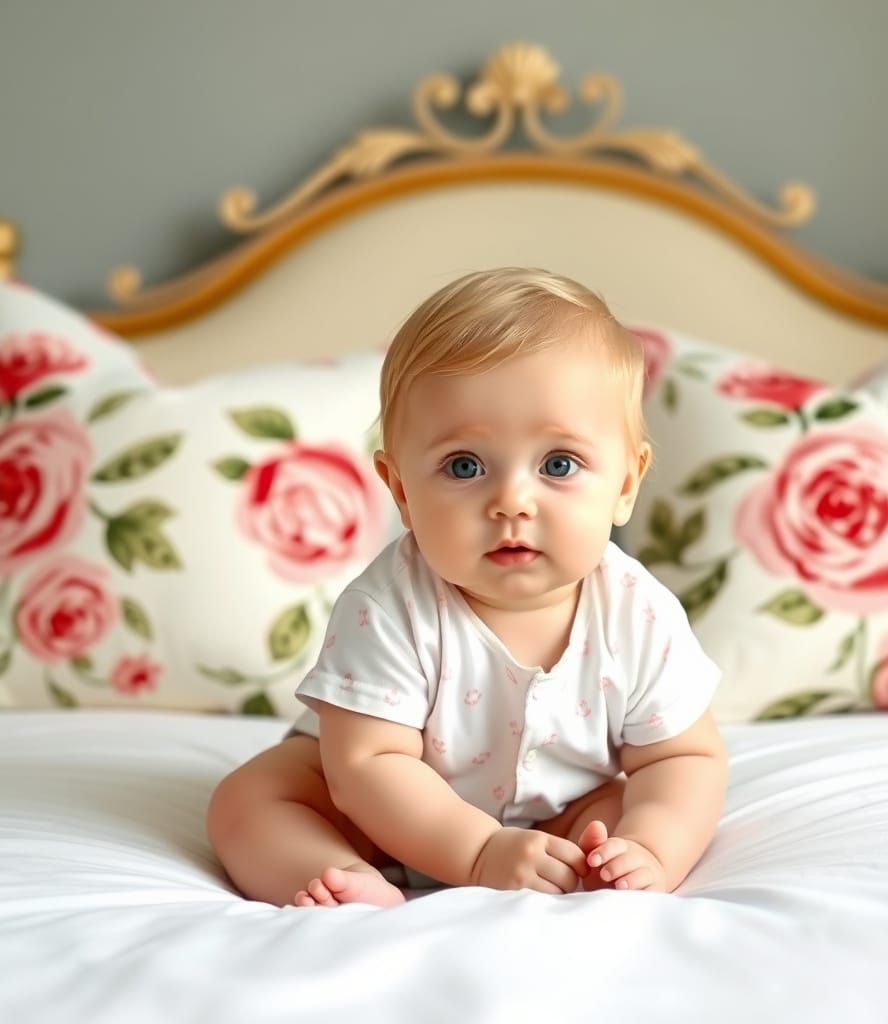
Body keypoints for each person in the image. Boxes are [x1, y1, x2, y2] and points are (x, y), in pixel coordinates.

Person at [207, 268, 728, 908]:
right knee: (251, 799)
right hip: (380, 817)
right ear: (401, 491)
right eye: (464, 466)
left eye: (558, 464)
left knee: (624, 806)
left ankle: (599, 866)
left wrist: (650, 847)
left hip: (558, 817)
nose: (512, 501)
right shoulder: (389, 607)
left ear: (625, 485)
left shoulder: (637, 614)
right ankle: (340, 876)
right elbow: (367, 766)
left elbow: (683, 758)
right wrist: (479, 852)